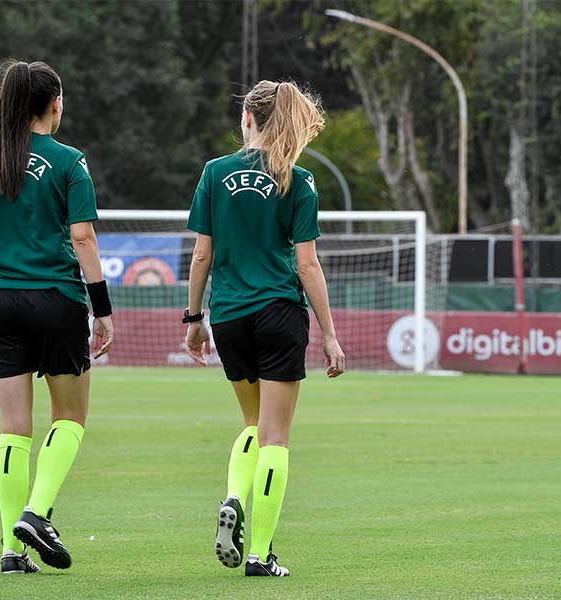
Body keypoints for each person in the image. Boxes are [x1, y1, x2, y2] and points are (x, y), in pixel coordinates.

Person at [0, 60, 114, 574]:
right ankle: (37, 514)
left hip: (0, 298)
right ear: (55, 104)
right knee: (70, 419)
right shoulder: (70, 161)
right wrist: (103, 309)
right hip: (58, 299)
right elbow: (83, 237)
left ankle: (10, 550)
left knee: (13, 429)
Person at [184, 79, 345, 577]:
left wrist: (194, 319)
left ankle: (234, 495)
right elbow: (308, 265)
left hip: (229, 316)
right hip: (278, 314)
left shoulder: (213, 173)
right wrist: (331, 334)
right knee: (277, 437)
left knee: (252, 426)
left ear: (247, 120)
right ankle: (260, 553)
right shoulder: (297, 179)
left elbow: (202, 254)